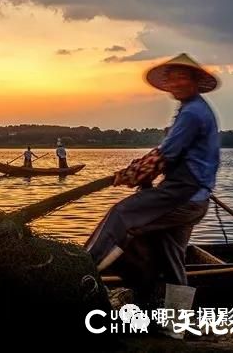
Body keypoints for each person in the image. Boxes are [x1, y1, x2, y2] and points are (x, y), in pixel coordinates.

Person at [84, 53, 220, 307]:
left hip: (183, 195)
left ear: (194, 81)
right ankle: (176, 323)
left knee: (122, 215)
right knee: (171, 257)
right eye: (172, 78)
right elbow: (166, 154)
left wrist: (130, 174)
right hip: (195, 199)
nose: (176, 83)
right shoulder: (192, 110)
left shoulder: (193, 113)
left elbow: (164, 155)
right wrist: (138, 171)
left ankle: (81, 271)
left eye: (182, 77)